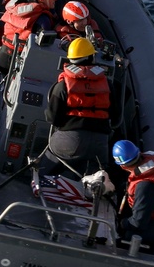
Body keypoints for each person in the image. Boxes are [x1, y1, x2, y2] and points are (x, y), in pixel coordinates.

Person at [41, 37, 115, 177]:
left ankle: (40, 178)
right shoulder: (107, 85)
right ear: (92, 56)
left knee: (49, 161)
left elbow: (52, 119)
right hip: (99, 144)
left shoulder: (62, 86)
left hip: (70, 140)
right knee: (98, 174)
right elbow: (116, 118)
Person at [0, 0, 60, 70]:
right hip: (20, 63)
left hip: (2, 56)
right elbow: (44, 52)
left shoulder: (19, 1)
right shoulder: (43, 20)